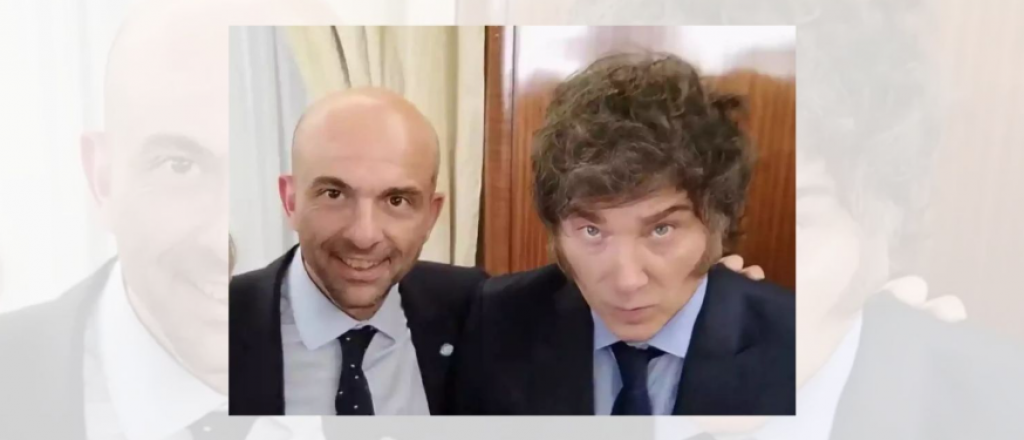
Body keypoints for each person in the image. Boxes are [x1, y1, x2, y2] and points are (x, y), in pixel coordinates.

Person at [451, 53, 796, 416]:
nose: (627, 281)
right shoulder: (499, 321)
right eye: (592, 231)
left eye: (661, 229)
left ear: (716, 224)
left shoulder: (797, 341)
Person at [229, 88, 488, 416]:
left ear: (430, 216)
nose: (364, 236)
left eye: (396, 200)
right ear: (291, 201)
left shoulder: (472, 309)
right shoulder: (214, 326)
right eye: (334, 194)